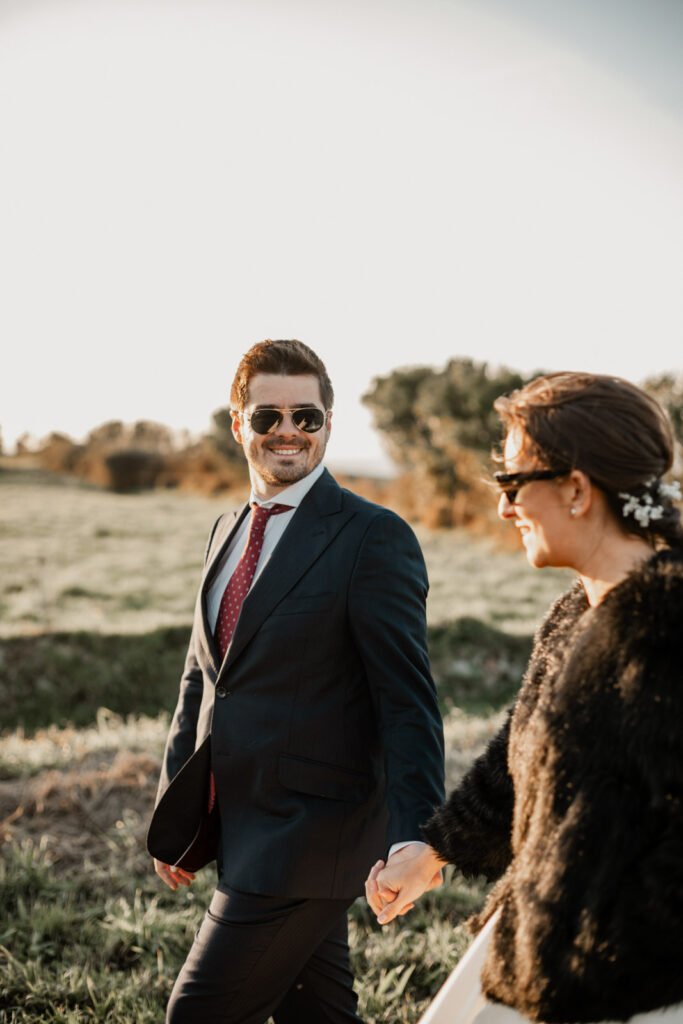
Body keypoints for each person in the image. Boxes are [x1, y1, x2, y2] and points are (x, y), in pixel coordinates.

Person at [366, 372, 683, 1024]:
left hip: (625, 992)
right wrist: (437, 850)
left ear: (575, 489)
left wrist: (600, 955)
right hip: (537, 949)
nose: (504, 508)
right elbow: (533, 753)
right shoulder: (577, 611)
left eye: (513, 484)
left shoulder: (668, 634)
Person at [147, 339, 445, 1024]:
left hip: (312, 834)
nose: (288, 431)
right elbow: (202, 680)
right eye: (267, 416)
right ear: (237, 424)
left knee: (198, 1015)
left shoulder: (373, 537)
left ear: (328, 424)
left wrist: (415, 836)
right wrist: (179, 810)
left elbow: (406, 701)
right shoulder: (226, 529)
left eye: (305, 417)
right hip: (241, 827)